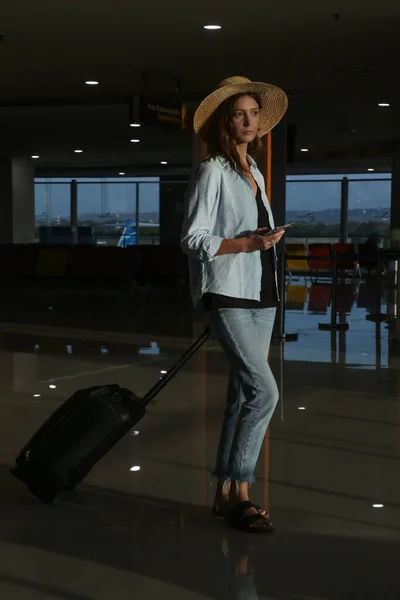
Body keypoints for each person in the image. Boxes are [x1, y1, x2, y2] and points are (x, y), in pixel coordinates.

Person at [181, 76, 288, 533]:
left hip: (262, 293)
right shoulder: (213, 171)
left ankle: (224, 494)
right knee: (264, 392)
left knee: (243, 394)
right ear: (227, 121)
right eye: (239, 113)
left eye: (253, 112)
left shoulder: (256, 173)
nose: (249, 120)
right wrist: (246, 245)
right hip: (227, 292)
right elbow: (193, 239)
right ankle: (241, 493)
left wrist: (263, 241)